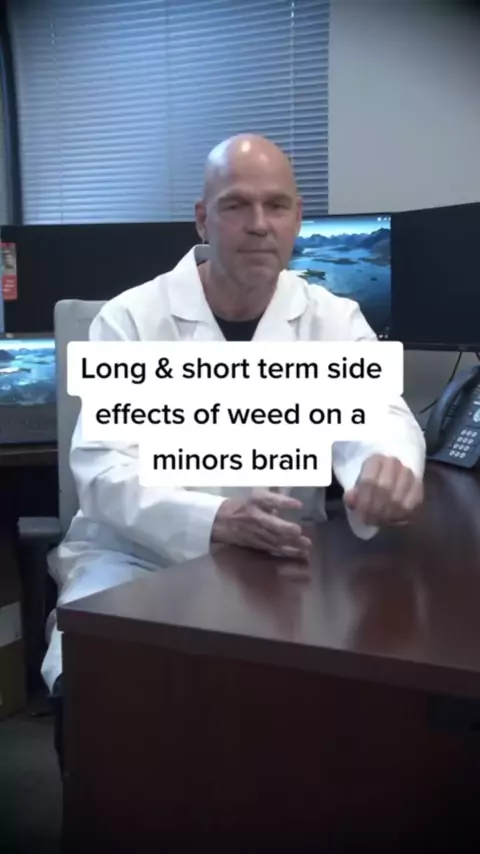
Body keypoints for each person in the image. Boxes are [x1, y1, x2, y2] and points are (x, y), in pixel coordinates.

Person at [43, 134, 425, 770]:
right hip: (138, 559)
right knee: (109, 693)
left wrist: (384, 468)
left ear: (297, 217)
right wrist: (217, 518)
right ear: (202, 219)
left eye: (277, 206)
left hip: (279, 560)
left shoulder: (332, 320)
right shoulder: (131, 321)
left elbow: (380, 416)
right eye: (236, 205)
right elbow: (105, 471)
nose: (259, 224)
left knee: (321, 718)